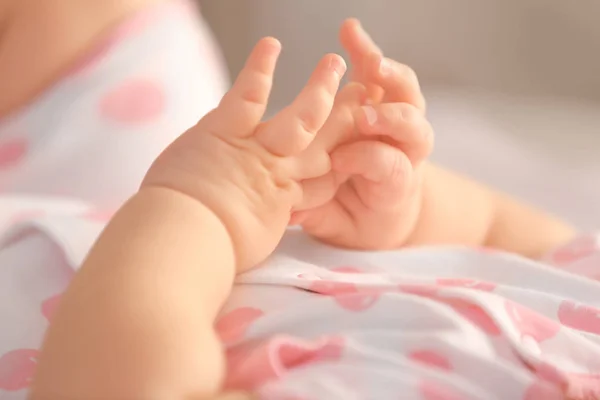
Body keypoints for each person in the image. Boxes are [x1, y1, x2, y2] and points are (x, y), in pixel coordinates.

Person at [0, 1, 597, 399]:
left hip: (122, 260)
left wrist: (201, 208)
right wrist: (406, 211)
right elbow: (525, 236)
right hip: (145, 189)